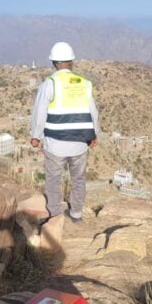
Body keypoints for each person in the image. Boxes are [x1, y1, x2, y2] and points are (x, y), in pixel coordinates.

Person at [30, 42, 100, 223]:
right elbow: (93, 111)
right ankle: (76, 214)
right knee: (79, 179)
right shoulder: (83, 83)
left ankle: (55, 215)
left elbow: (39, 112)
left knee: (53, 180)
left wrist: (36, 136)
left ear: (53, 63)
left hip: (56, 144)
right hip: (79, 144)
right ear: (71, 62)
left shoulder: (49, 84)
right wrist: (94, 135)